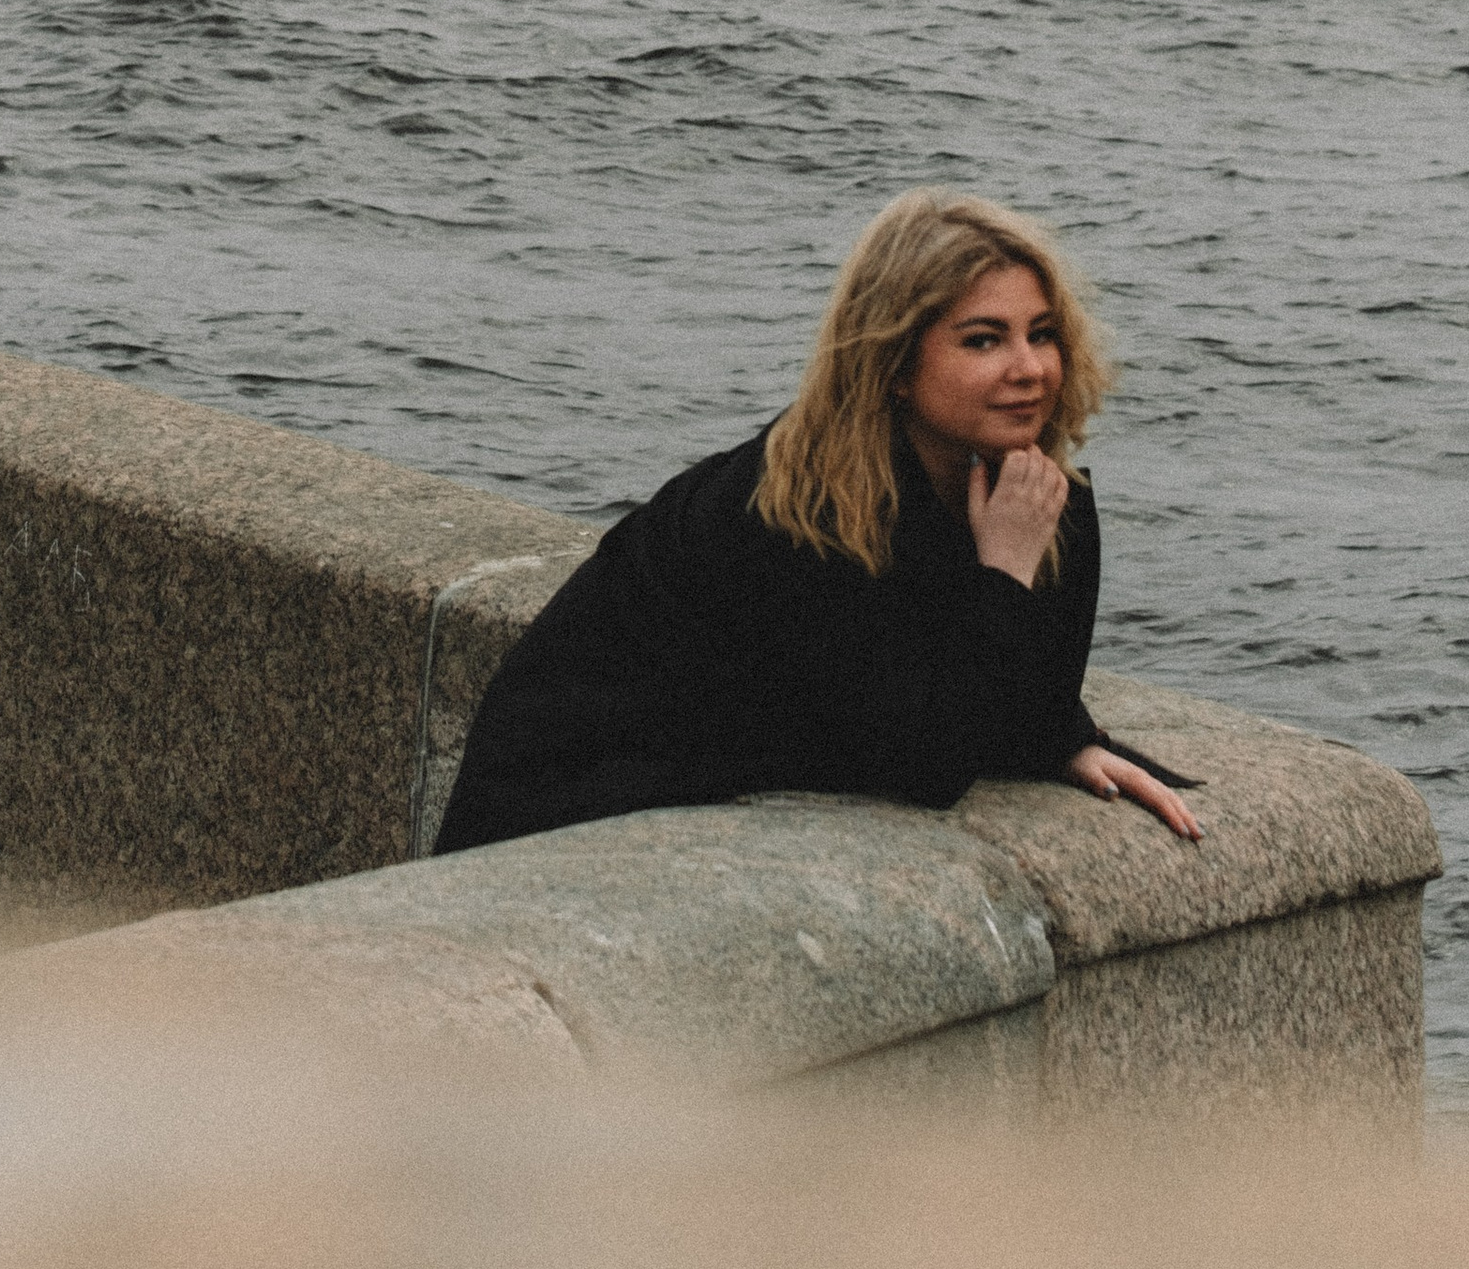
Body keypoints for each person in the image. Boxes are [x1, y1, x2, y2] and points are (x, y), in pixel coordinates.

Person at [433, 189, 1201, 856]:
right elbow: (927, 764)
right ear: (896, 365)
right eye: (983, 340)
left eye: (1042, 333)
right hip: (567, 811)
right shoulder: (798, 514)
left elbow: (1012, 693)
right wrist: (1003, 572)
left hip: (718, 801)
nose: (1029, 368)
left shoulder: (1024, 491)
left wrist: (1059, 737)